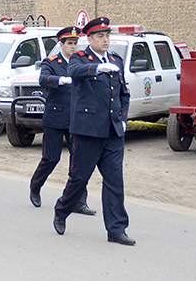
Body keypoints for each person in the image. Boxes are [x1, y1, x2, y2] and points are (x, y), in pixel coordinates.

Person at [53, 17, 135, 245]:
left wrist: (123, 118)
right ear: (89, 39)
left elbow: (123, 94)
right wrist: (97, 67)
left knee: (114, 182)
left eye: (107, 36)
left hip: (112, 132)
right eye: (100, 36)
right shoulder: (80, 58)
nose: (106, 40)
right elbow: (74, 71)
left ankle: (117, 229)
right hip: (88, 131)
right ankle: (61, 210)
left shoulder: (116, 60)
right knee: (79, 179)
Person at [30, 27, 96, 216]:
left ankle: (79, 200)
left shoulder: (81, 62)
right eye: (70, 43)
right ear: (62, 45)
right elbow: (43, 79)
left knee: (78, 161)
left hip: (76, 119)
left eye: (75, 43)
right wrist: (60, 80)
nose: (73, 47)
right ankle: (35, 186)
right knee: (51, 158)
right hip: (56, 117)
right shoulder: (51, 62)